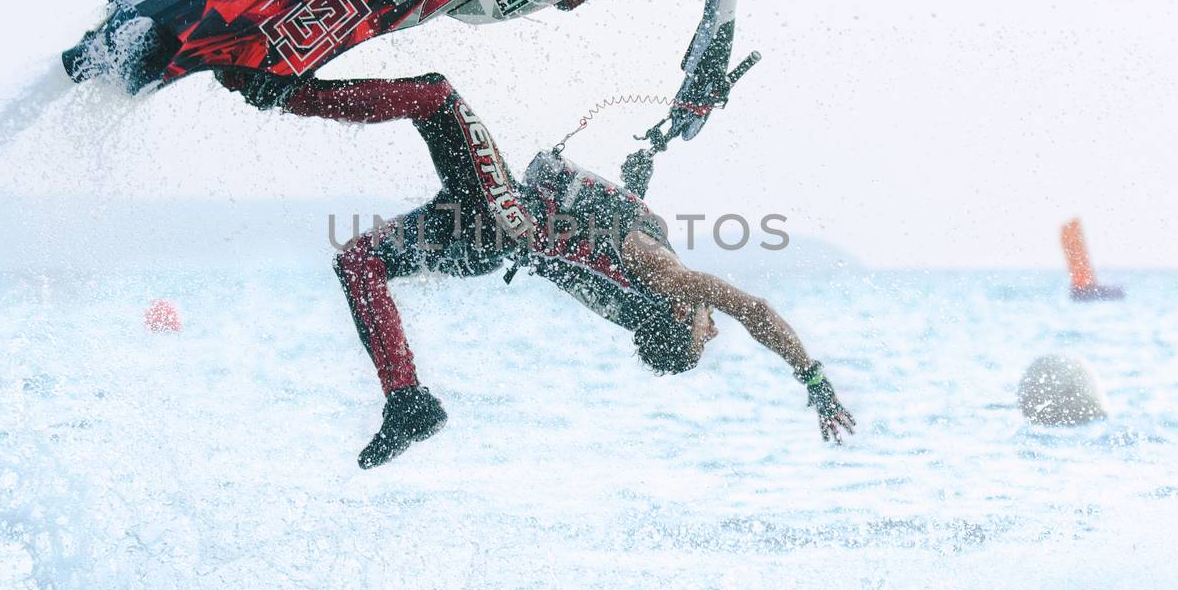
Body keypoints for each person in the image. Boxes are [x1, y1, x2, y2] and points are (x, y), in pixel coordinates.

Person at [218, 70, 856, 468]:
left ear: (677, 314)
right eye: (707, 336)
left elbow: (753, 310)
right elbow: (600, 235)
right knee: (359, 263)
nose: (713, 331)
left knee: (439, 98)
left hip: (505, 216)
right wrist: (637, 177)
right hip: (489, 245)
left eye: (700, 335)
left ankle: (283, 91)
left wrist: (814, 379)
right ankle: (407, 400)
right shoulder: (635, 292)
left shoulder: (663, 281)